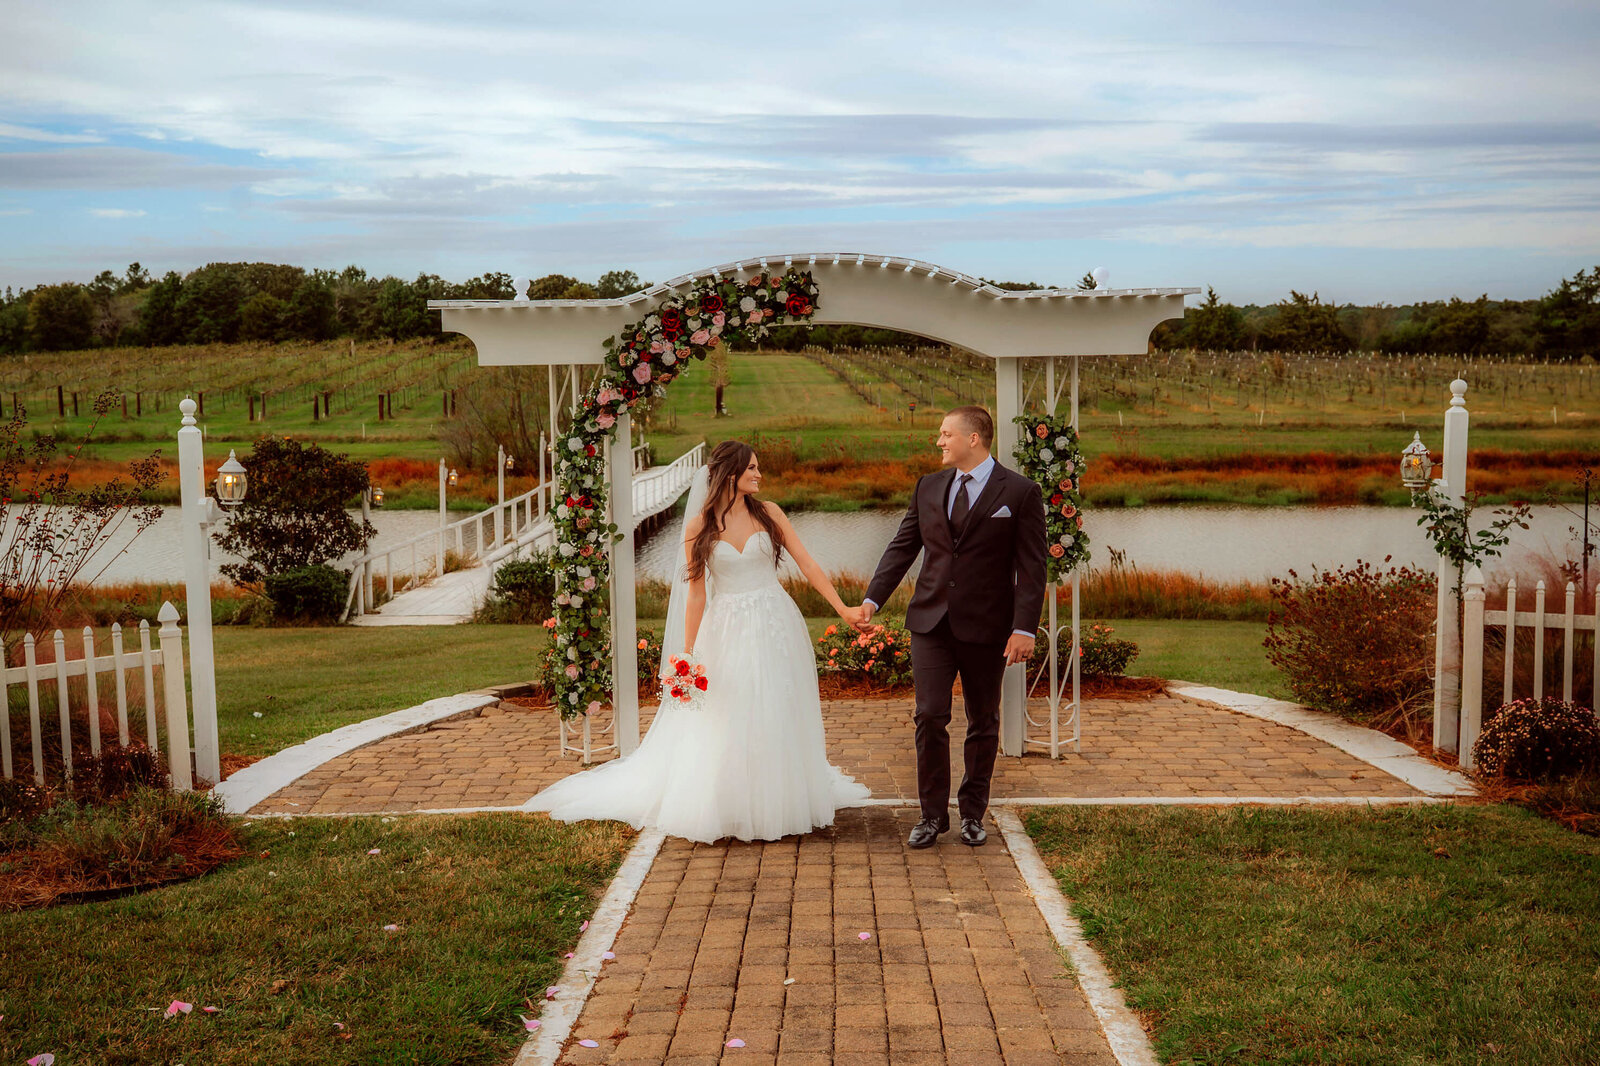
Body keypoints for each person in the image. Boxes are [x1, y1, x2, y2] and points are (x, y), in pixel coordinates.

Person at [526, 440, 870, 843]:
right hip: (726, 629)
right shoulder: (698, 528)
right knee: (729, 713)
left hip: (775, 623)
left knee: (776, 704)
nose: (759, 475)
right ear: (730, 475)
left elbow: (807, 563)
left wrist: (843, 609)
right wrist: (687, 656)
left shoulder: (770, 514)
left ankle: (778, 799)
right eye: (752, 468)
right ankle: (730, 804)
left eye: (758, 468)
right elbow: (696, 595)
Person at [858, 405, 1046, 848]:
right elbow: (903, 546)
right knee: (929, 715)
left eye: (946, 434)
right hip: (930, 623)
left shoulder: (1020, 492)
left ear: (973, 438)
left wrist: (1024, 628)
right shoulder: (928, 486)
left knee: (983, 720)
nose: (939, 441)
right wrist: (871, 599)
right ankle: (931, 816)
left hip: (988, 626)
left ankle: (973, 814)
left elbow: (1032, 567)